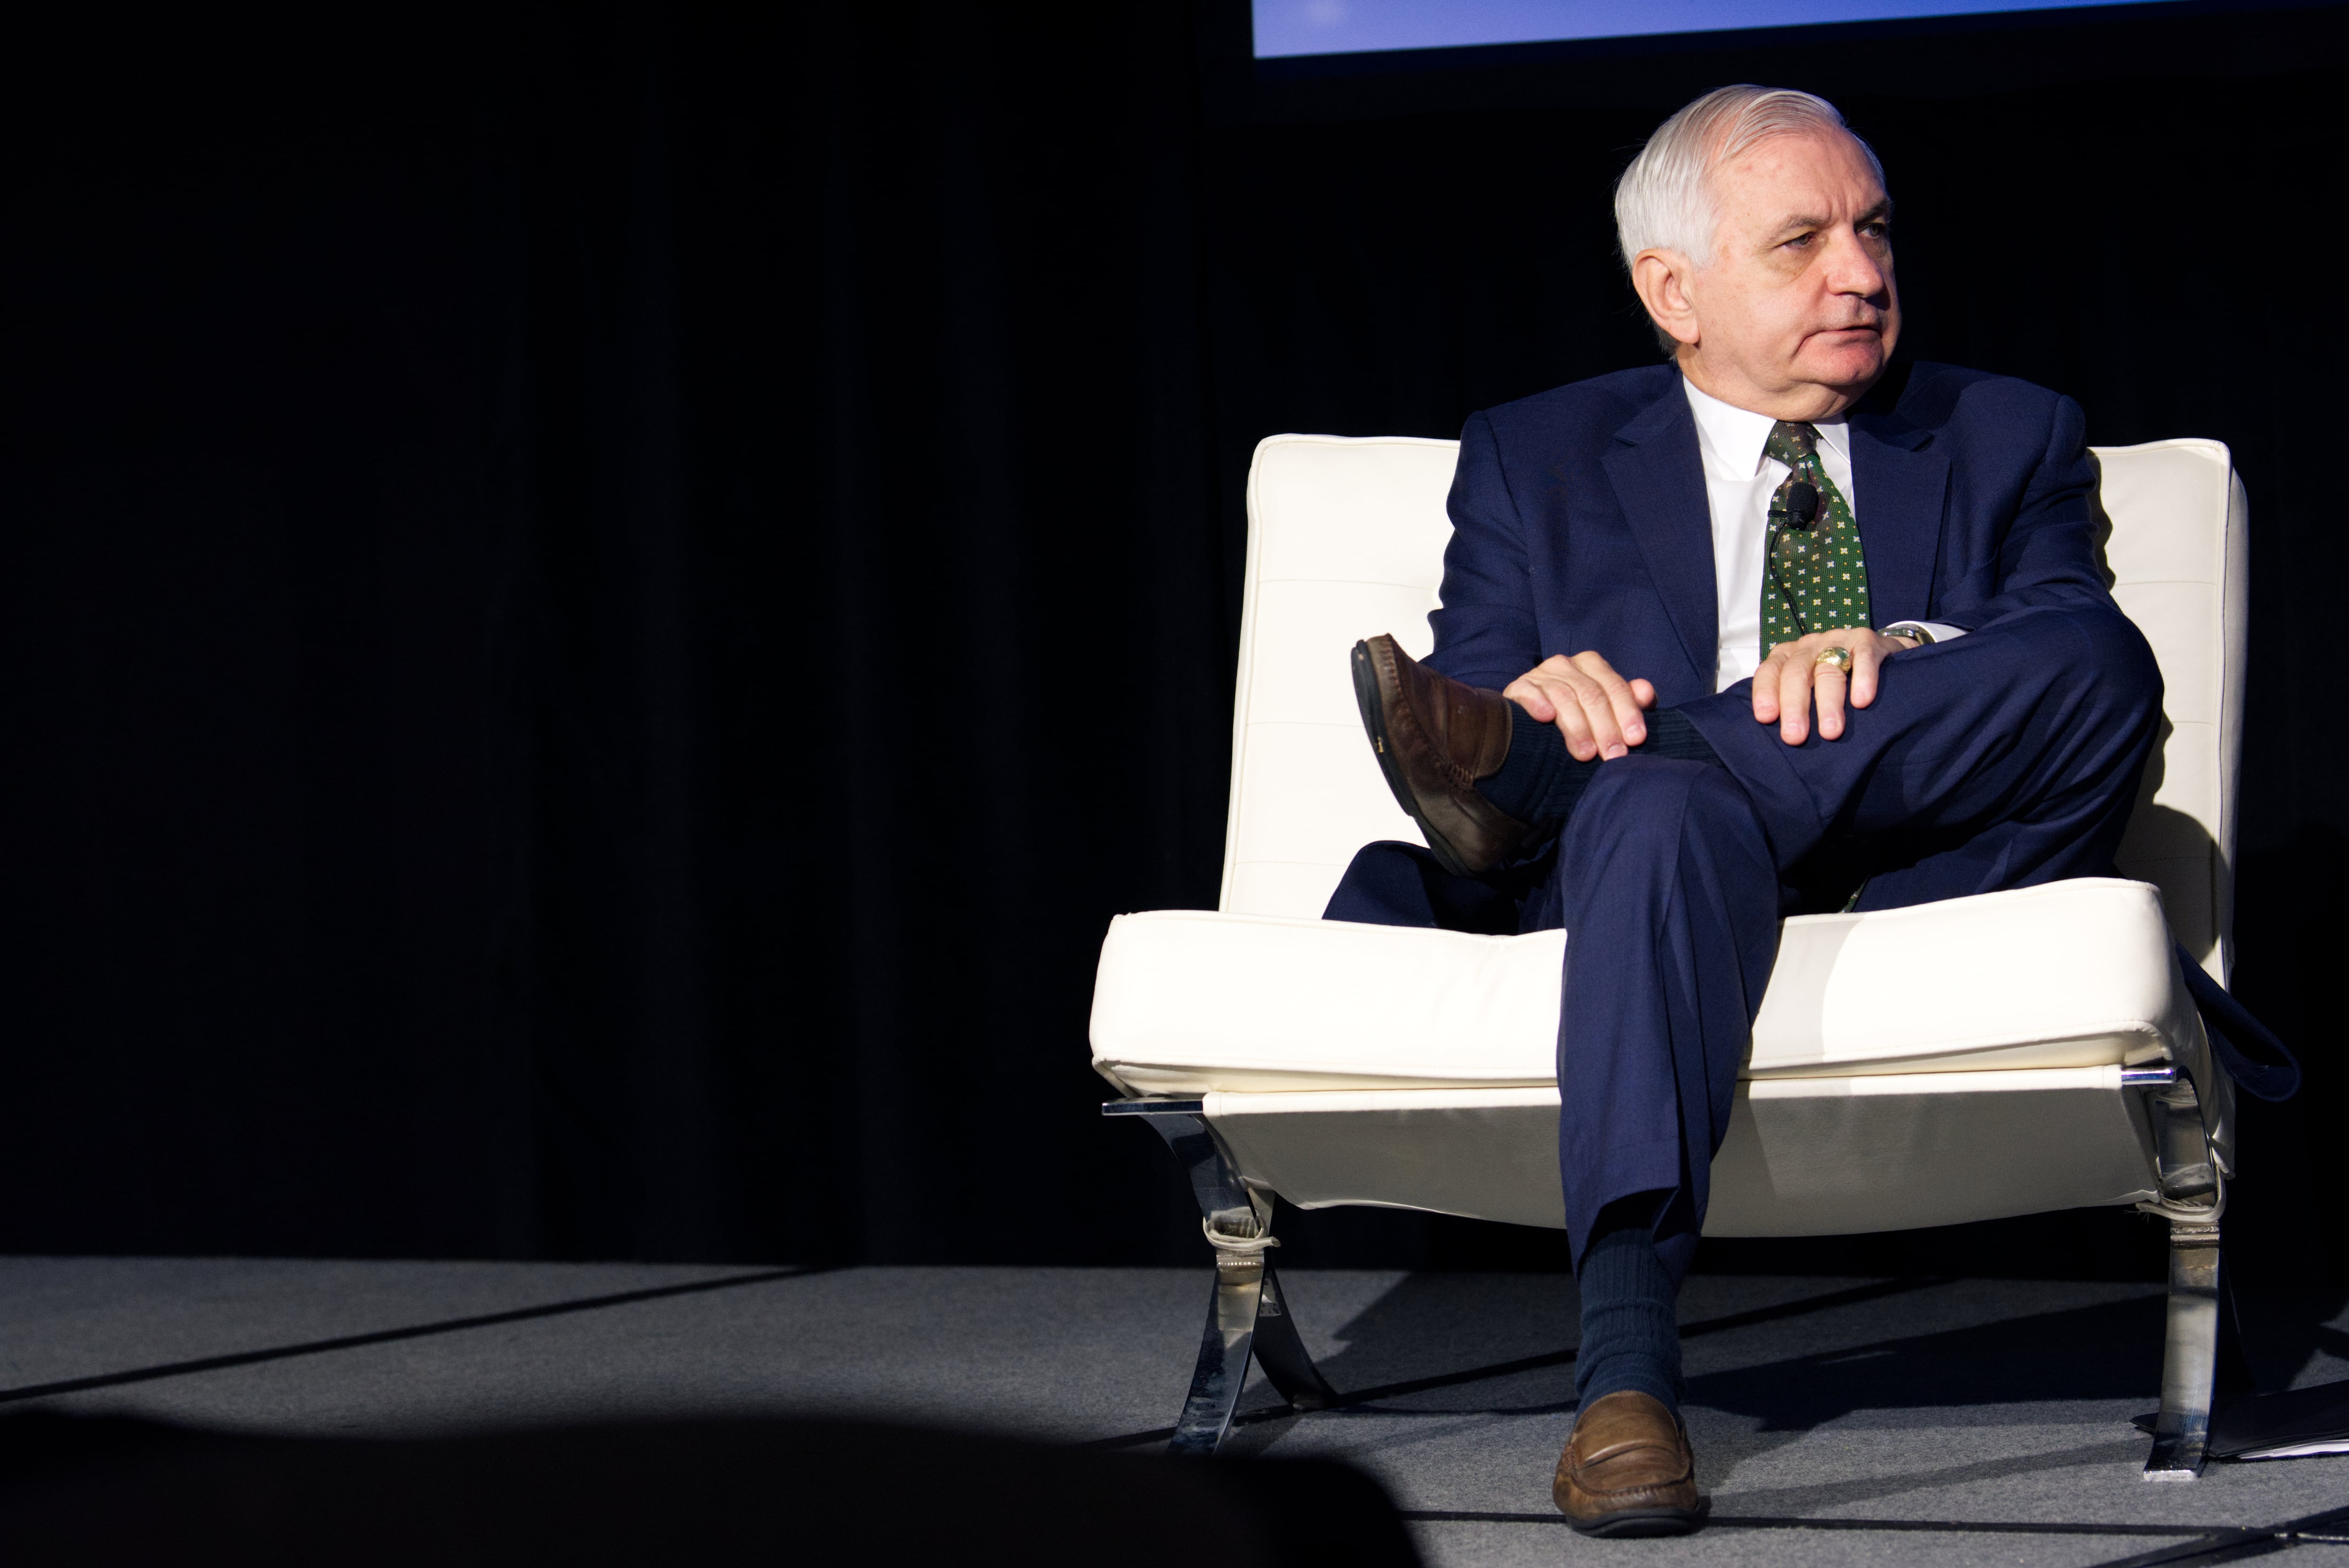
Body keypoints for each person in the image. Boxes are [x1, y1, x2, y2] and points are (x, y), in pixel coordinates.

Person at [1330, 85, 2165, 1537]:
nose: (1862, 271)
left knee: (2098, 661)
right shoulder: (1538, 453)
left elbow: (2060, 655)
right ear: (1674, 292)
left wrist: (1906, 651)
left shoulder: (2009, 431)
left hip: (1934, 864)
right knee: (1646, 817)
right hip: (1661, 883)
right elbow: (1459, 703)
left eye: (1874, 229)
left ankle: (1620, 771)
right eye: (1801, 242)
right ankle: (1628, 1383)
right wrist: (1535, 697)